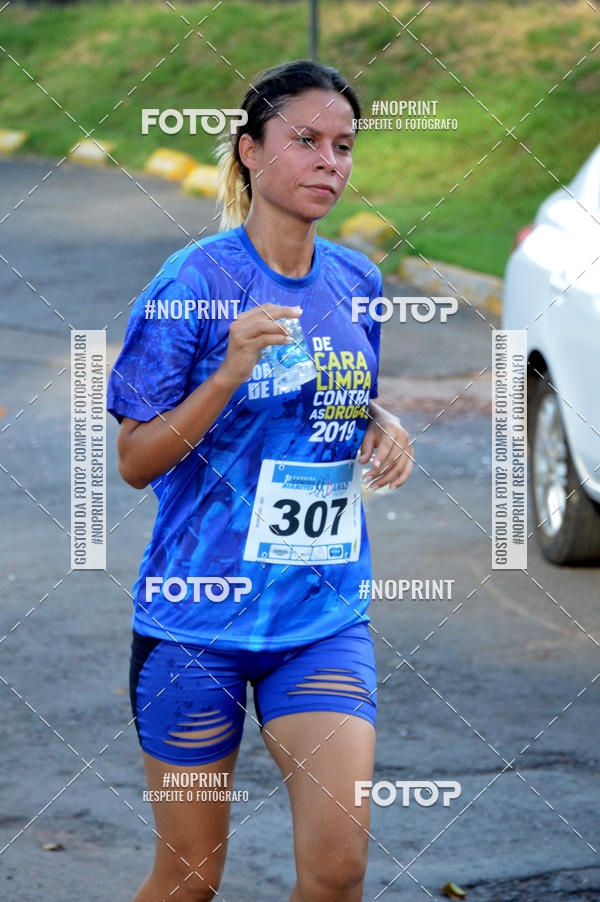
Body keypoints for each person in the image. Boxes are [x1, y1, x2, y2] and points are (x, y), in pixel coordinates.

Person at [107, 58, 413, 902]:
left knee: (339, 871)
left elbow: (342, 400)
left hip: (319, 617)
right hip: (194, 620)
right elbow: (135, 462)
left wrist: (379, 427)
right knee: (191, 877)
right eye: (305, 141)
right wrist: (228, 370)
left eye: (343, 146)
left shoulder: (358, 280)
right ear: (249, 152)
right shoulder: (194, 284)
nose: (329, 162)